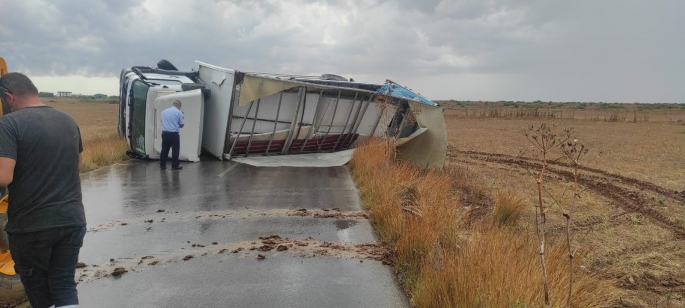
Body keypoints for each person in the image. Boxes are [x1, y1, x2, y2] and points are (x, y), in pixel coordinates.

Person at [0, 72, 86, 308]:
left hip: (31, 226)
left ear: (9, 97)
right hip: (72, 221)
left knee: (38, 291)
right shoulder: (68, 120)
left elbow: (3, 176)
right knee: (63, 284)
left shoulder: (8, 124)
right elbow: (77, 165)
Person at [160, 100, 184, 170]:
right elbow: (182, 124)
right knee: (175, 150)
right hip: (173, 133)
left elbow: (162, 121)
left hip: (164, 133)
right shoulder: (179, 113)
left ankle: (162, 164)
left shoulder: (164, 112)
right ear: (179, 105)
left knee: (164, 149)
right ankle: (175, 165)